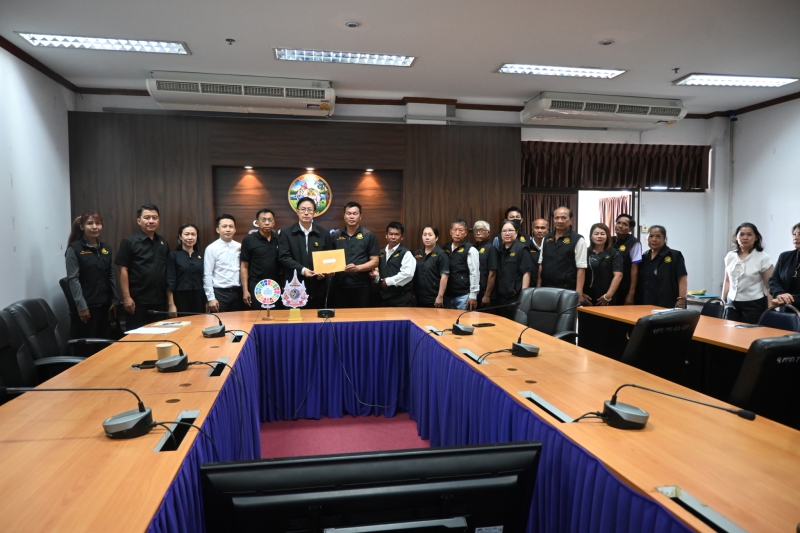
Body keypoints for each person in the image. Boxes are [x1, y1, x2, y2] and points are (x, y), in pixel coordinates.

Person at [65, 212, 119, 344]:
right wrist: (82, 307)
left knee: (104, 345)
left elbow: (110, 273)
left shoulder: (106, 248)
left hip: (105, 305)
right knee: (88, 347)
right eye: (90, 223)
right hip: (87, 307)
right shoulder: (74, 249)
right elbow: (73, 279)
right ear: (82, 227)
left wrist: (115, 298)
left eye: (98, 223)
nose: (95, 227)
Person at [115, 204, 169, 331]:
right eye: (147, 217)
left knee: (160, 334)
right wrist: (126, 297)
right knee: (137, 336)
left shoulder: (163, 242)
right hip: (137, 301)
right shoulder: (129, 242)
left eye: (155, 217)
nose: (151, 221)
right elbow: (123, 270)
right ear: (139, 221)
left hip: (160, 300)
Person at [278, 197, 334, 309]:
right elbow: (284, 257)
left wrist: (325, 272)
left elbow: (329, 257)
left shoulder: (323, 232)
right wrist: (303, 270)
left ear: (314, 212)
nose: (306, 213)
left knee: (316, 316)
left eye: (310, 210)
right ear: (297, 211)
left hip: (318, 286)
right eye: (303, 209)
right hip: (295, 286)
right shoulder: (286, 232)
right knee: (296, 317)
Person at [721, 223, 773, 324]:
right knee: (730, 331)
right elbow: (727, 280)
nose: (745, 237)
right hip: (731, 302)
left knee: (750, 332)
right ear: (736, 237)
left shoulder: (763, 258)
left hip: (754, 303)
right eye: (741, 234)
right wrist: (722, 301)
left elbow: (769, 286)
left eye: (749, 234)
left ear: (756, 237)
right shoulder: (730, 256)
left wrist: (770, 308)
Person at [332, 202, 380, 308]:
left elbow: (375, 261)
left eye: (355, 213)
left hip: (361, 286)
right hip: (340, 286)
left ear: (360, 216)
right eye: (349, 213)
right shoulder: (335, 235)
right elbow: (330, 258)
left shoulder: (369, 236)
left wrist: (357, 268)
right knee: (341, 316)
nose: (351, 216)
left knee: (361, 316)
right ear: (344, 216)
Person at [636, 225, 688, 309]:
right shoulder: (644, 257)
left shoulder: (674, 255)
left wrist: (682, 298)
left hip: (667, 302)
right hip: (645, 302)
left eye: (658, 236)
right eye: (651, 236)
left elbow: (682, 277)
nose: (654, 239)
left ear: (664, 238)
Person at [537, 206, 587, 293]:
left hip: (567, 289)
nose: (559, 221)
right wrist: (538, 286)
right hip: (546, 287)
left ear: (571, 220)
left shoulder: (578, 240)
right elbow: (541, 264)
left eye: (563, 218)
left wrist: (579, 292)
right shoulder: (546, 238)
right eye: (557, 218)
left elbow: (581, 268)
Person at [492, 220, 535, 319]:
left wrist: (523, 296)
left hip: (515, 297)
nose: (507, 233)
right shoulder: (500, 249)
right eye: (504, 231)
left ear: (516, 233)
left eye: (510, 230)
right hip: (502, 297)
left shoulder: (522, 249)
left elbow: (527, 273)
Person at [241, 209, 282, 310]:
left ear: (274, 222)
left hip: (275, 284)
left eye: (270, 220)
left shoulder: (280, 239)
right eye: (263, 220)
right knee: (257, 315)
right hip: (256, 284)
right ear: (257, 222)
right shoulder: (248, 240)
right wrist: (245, 290)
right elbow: (244, 266)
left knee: (277, 315)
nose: (267, 223)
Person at [203, 214, 243, 313]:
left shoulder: (240, 247)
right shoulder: (211, 248)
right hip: (220, 294)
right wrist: (211, 298)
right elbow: (207, 274)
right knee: (220, 321)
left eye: (231, 226)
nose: (228, 229)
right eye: (224, 226)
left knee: (239, 321)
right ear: (218, 230)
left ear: (235, 229)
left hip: (238, 292)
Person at [370, 222, 415, 307]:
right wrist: (376, 277)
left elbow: (408, 274)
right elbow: (383, 274)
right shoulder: (381, 253)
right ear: (386, 235)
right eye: (390, 234)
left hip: (402, 299)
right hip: (384, 298)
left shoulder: (406, 253)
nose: (393, 237)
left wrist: (388, 281)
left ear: (402, 237)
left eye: (396, 234)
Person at [166, 223, 205, 314]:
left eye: (193, 234)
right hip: (180, 298)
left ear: (197, 236)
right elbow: (170, 281)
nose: (190, 237)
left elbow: (206, 278)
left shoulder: (202, 255)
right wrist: (171, 304)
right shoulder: (173, 255)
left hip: (199, 297)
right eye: (187, 234)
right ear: (180, 236)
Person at [582, 223, 623, 306]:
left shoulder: (615, 253)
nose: (599, 236)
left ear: (607, 236)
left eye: (602, 234)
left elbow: (618, 276)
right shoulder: (585, 252)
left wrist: (608, 296)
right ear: (591, 236)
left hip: (607, 296)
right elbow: (579, 272)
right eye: (596, 234)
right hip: (587, 296)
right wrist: (581, 293)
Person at [443, 219, 480, 310]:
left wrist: (473, 295)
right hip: (447, 295)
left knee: (462, 319)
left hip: (464, 295)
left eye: (460, 230)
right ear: (450, 232)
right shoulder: (445, 248)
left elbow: (474, 273)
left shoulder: (471, 249)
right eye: (455, 230)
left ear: (465, 233)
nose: (457, 233)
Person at [413, 226, 449, 307]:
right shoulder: (416, 254)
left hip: (434, 298)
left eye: (430, 235)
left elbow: (444, 276)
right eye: (424, 235)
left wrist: (440, 296)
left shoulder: (442, 254)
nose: (427, 237)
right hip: (419, 298)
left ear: (436, 238)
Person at [612, 213, 642, 305]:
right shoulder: (610, 240)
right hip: (609, 285)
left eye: (624, 224)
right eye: (618, 223)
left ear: (630, 229)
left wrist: (631, 293)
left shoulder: (634, 243)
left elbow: (634, 268)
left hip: (624, 286)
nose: (620, 226)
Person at [768, 222, 800, 308]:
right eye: (794, 234)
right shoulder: (785, 256)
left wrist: (789, 299)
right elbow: (773, 280)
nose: (796, 237)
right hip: (786, 309)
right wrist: (780, 293)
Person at [472, 220, 498, 307]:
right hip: (475, 292)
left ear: (488, 233)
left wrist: (487, 295)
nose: (478, 233)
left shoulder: (491, 249)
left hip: (486, 293)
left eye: (481, 230)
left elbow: (492, 274)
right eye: (476, 231)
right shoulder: (473, 248)